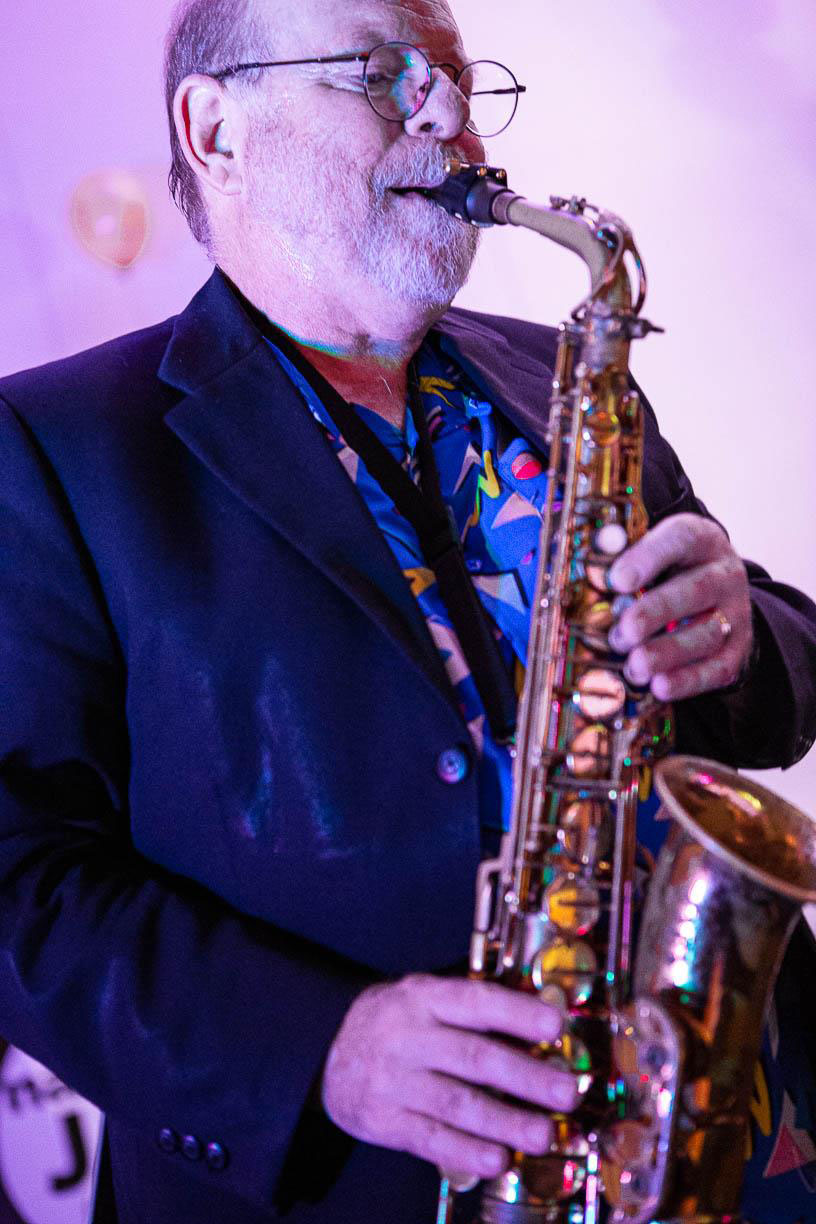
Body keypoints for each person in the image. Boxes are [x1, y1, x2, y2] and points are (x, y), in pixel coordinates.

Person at [0, 0, 814, 1221]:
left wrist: (744, 638)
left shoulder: (563, 371)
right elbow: (17, 874)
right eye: (381, 73)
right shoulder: (53, 445)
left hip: (745, 1136)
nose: (447, 117)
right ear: (216, 130)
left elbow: (780, 659)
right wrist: (321, 1048)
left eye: (455, 79)